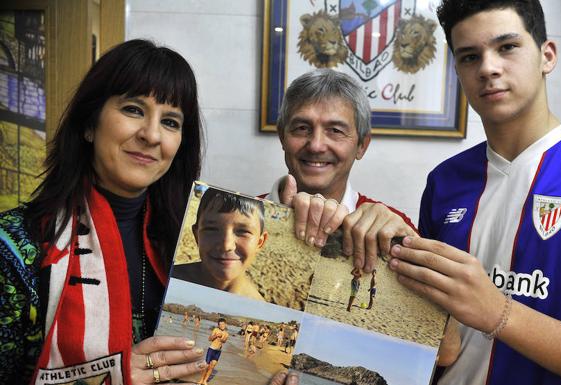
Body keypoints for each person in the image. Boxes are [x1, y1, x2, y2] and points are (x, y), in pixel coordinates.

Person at [0, 39, 347, 385]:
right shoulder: (15, 248)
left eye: (170, 121)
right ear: (89, 124)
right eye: (133, 109)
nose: (151, 135)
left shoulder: (183, 239)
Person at [388, 1, 561, 384]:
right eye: (469, 57)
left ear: (547, 56)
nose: (488, 68)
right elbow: (427, 331)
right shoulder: (444, 181)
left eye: (507, 47)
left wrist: (497, 311)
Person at [261, 69, 417, 272]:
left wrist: (406, 245)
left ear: (362, 145)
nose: (316, 145)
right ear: (282, 137)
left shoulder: (391, 226)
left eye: (335, 131)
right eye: (301, 128)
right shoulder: (236, 218)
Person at [172, 188, 268, 300]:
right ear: (196, 235)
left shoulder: (257, 305)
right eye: (211, 229)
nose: (226, 246)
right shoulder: (170, 277)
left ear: (260, 242)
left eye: (243, 231)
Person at [199, 318, 229, 385]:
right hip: (211, 349)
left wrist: (222, 339)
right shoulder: (215, 330)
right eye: (220, 324)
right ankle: (201, 380)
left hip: (218, 351)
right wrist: (216, 335)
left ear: (225, 324)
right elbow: (209, 339)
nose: (222, 325)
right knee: (207, 365)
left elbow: (224, 341)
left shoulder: (226, 334)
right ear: (218, 325)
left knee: (212, 367)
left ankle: (205, 381)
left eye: (223, 324)